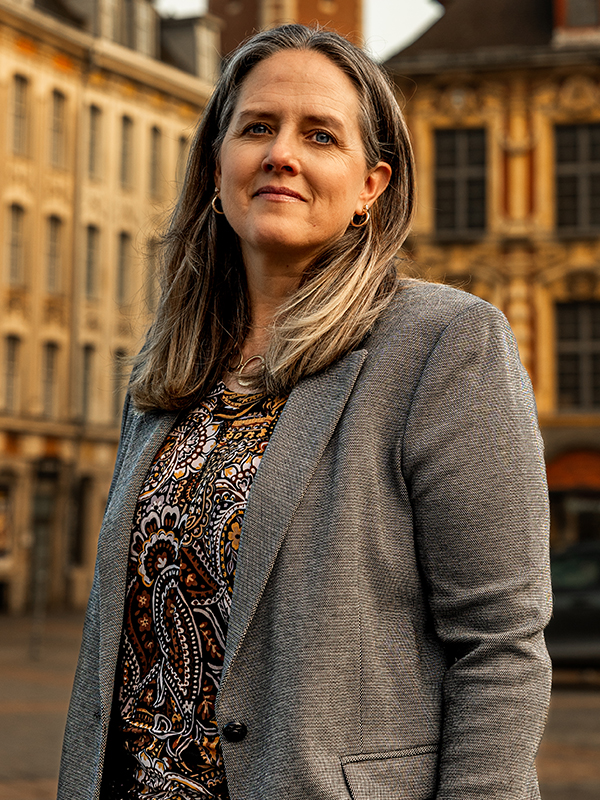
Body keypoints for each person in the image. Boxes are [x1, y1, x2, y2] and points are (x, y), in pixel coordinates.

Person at [58, 24, 552, 800]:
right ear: (217, 168)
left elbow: (500, 647)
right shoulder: (171, 364)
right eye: (257, 127)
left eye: (320, 135)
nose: (280, 153)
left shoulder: (445, 344)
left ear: (371, 187)